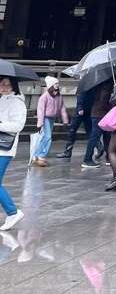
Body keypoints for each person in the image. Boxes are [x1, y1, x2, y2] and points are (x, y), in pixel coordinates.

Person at [0, 75, 28, 231]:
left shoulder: (17, 103)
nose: (4, 87)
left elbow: (18, 125)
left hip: (4, 149)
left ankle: (13, 212)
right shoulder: (3, 99)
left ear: (14, 86)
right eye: (1, 84)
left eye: (7, 85)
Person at [32, 76, 69, 167]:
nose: (57, 85)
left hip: (52, 118)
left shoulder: (59, 96)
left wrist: (65, 120)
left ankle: (37, 155)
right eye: (55, 84)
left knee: (45, 137)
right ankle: (41, 156)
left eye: (57, 84)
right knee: (48, 137)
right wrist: (40, 122)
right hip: (45, 118)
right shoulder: (44, 97)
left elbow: (62, 108)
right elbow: (40, 110)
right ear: (51, 85)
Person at [59, 82, 95, 160]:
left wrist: (80, 107)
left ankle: (68, 151)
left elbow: (80, 96)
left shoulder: (84, 83)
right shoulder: (93, 83)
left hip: (81, 111)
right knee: (90, 131)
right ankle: (99, 147)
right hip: (89, 109)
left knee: (73, 129)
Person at [82, 80, 113, 169]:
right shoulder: (105, 86)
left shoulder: (96, 84)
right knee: (95, 137)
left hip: (99, 113)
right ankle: (87, 159)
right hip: (100, 114)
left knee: (107, 136)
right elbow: (104, 99)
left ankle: (109, 157)